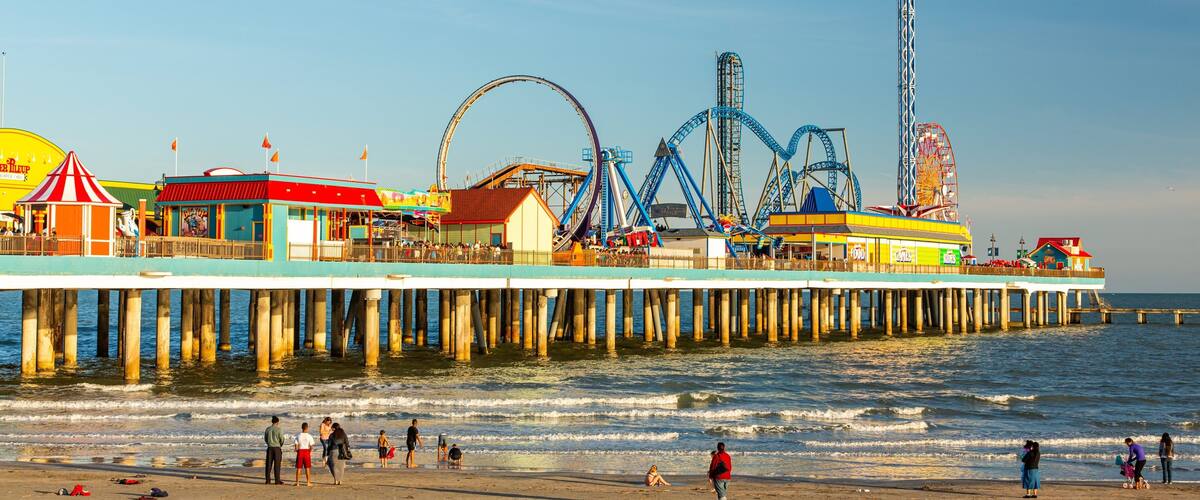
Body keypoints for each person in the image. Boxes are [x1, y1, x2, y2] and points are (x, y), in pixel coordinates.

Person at [263, 416, 285, 485]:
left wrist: (269, 443)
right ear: (277, 422)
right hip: (277, 448)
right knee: (277, 465)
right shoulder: (279, 429)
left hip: (270, 448)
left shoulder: (268, 429)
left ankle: (268, 480)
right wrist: (280, 445)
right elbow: (282, 439)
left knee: (268, 465)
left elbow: (265, 439)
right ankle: (277, 480)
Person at [294, 422, 315, 487]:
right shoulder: (309, 436)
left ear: (302, 428)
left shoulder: (298, 436)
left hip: (300, 451)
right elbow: (311, 446)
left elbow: (296, 447)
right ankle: (308, 482)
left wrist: (297, 451)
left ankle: (297, 482)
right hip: (306, 452)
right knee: (307, 468)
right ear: (307, 428)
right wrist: (310, 452)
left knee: (299, 468)